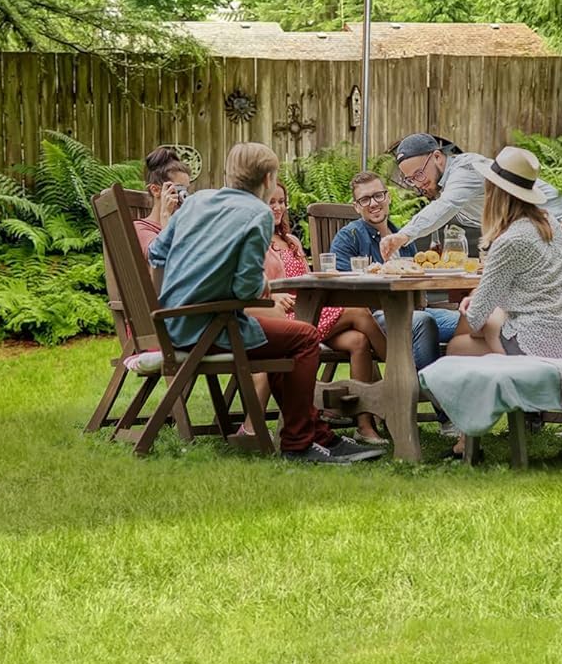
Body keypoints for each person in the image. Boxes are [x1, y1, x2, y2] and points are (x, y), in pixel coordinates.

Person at [145, 142, 383, 465]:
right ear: (269, 179)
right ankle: (298, 442)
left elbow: (156, 253)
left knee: (286, 341)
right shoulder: (256, 214)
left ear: (229, 173)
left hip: (175, 323)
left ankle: (318, 435)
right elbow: (246, 289)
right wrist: (263, 284)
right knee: (305, 337)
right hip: (209, 327)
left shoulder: (197, 201)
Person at [444, 146, 562, 458]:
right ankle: (473, 435)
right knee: (487, 319)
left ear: (495, 192)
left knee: (458, 346)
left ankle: (466, 439)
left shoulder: (510, 241)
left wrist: (472, 305)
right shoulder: (548, 223)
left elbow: (477, 318)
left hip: (539, 344)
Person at [259, 181, 387, 447]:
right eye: (271, 202)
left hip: (311, 310)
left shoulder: (291, 241)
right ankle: (400, 373)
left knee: (358, 341)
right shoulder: (257, 241)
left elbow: (307, 279)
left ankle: (364, 425)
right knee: (358, 311)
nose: (278, 207)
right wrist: (272, 296)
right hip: (289, 316)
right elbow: (252, 283)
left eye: (281, 202)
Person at [380, 132, 562, 268]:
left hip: (559, 233)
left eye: (419, 174)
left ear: (437, 157)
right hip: (530, 240)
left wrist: (403, 235)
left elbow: (445, 206)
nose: (418, 183)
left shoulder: (465, 169)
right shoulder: (445, 182)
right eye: (411, 179)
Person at [331, 169, 459, 374]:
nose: (373, 203)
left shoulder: (403, 237)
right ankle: (420, 387)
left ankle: (460, 384)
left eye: (378, 195)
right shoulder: (349, 237)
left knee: (469, 321)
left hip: (415, 309)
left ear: (388, 197)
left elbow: (418, 282)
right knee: (422, 322)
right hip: (375, 316)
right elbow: (342, 290)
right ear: (356, 206)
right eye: (365, 199)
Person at [134, 145, 193, 266]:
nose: (183, 196)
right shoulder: (140, 228)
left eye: (186, 190)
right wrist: (165, 215)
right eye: (179, 189)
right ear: (156, 190)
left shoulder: (182, 227)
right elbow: (159, 258)